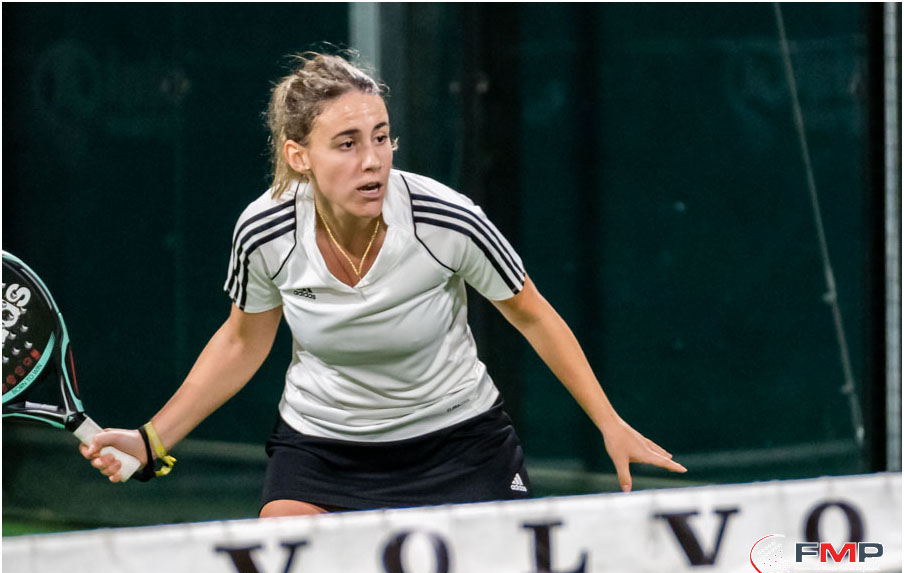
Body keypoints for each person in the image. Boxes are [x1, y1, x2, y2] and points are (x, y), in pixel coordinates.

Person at [81, 52, 686, 516]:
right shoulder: (265, 231)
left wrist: (608, 421)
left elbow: (532, 313)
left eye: (380, 136)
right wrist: (150, 439)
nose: (372, 159)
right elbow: (242, 341)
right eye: (346, 144)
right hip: (323, 449)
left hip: (459, 442)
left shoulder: (446, 220)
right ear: (298, 156)